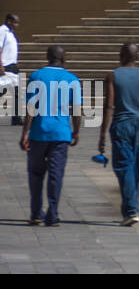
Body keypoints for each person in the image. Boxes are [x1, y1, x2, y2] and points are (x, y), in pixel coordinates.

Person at [98, 43, 139, 226]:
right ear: (137, 57)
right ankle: (129, 210)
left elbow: (109, 106)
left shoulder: (113, 76)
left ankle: (132, 210)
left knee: (124, 167)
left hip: (122, 124)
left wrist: (102, 133)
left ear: (121, 55)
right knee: (134, 167)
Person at [19, 45, 81, 227]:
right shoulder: (72, 80)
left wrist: (25, 133)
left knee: (36, 174)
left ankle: (36, 213)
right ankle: (52, 215)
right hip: (61, 134)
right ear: (64, 58)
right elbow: (76, 111)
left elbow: (31, 109)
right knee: (56, 174)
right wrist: (76, 131)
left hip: (39, 133)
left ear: (47, 57)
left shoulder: (36, 77)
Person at [2, 13, 21, 125]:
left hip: (13, 66)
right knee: (2, 90)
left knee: (17, 92)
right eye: (15, 22)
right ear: (8, 21)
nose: (17, 25)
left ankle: (16, 119)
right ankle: (16, 118)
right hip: (5, 66)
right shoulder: (2, 31)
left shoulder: (10, 33)